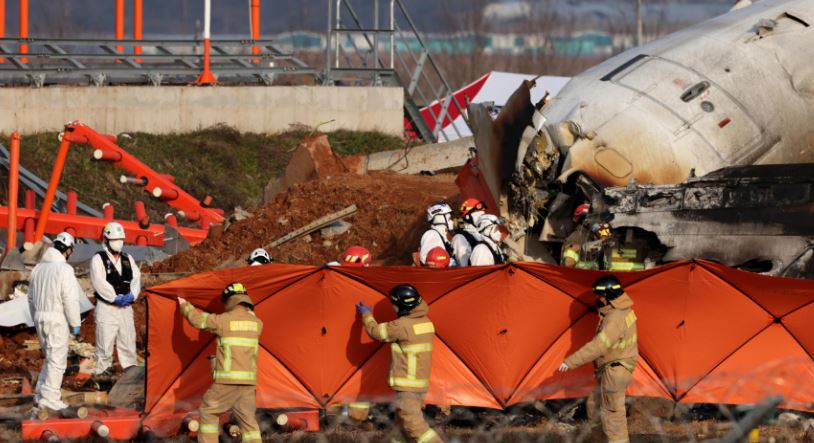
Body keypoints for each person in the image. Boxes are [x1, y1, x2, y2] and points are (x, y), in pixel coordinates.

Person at [355, 285, 443, 443]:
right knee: (400, 426)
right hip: (419, 384)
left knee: (412, 425)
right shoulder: (426, 322)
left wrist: (366, 314)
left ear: (401, 306)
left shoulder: (402, 326)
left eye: (394, 304)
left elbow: (376, 332)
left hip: (407, 385)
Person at [178, 283, 263, 443]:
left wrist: (184, 305)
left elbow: (197, 321)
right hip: (249, 384)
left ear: (229, 300)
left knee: (208, 411)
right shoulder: (257, 323)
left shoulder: (223, 321)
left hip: (227, 382)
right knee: (248, 422)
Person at [559, 275, 638, 443]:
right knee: (593, 405)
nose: (598, 298)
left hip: (615, 370)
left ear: (609, 295)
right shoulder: (617, 311)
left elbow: (599, 347)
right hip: (609, 368)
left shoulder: (614, 318)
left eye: (600, 295)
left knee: (612, 413)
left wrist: (570, 361)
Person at [27, 232, 83, 412]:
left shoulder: (38, 268)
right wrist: (75, 323)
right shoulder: (64, 269)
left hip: (40, 317)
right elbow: (70, 299)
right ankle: (50, 398)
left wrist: (35, 317)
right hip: (56, 318)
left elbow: (30, 298)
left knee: (49, 358)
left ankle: (40, 394)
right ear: (67, 250)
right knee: (57, 361)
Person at [90, 222, 140, 377]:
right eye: (115, 240)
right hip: (107, 307)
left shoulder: (128, 258)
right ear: (106, 240)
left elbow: (136, 278)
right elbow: (99, 282)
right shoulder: (98, 259)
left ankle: (131, 373)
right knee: (105, 344)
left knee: (128, 341)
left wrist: (132, 295)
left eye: (121, 239)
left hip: (126, 307)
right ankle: (102, 374)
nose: (119, 243)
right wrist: (113, 297)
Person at [450, 198, 486, 267]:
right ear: (467, 217)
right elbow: (464, 268)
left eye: (483, 215)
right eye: (479, 216)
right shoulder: (460, 238)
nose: (482, 218)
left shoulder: (480, 234)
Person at [561, 203, 592, 268]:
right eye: (593, 218)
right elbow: (568, 265)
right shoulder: (576, 238)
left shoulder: (587, 236)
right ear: (585, 221)